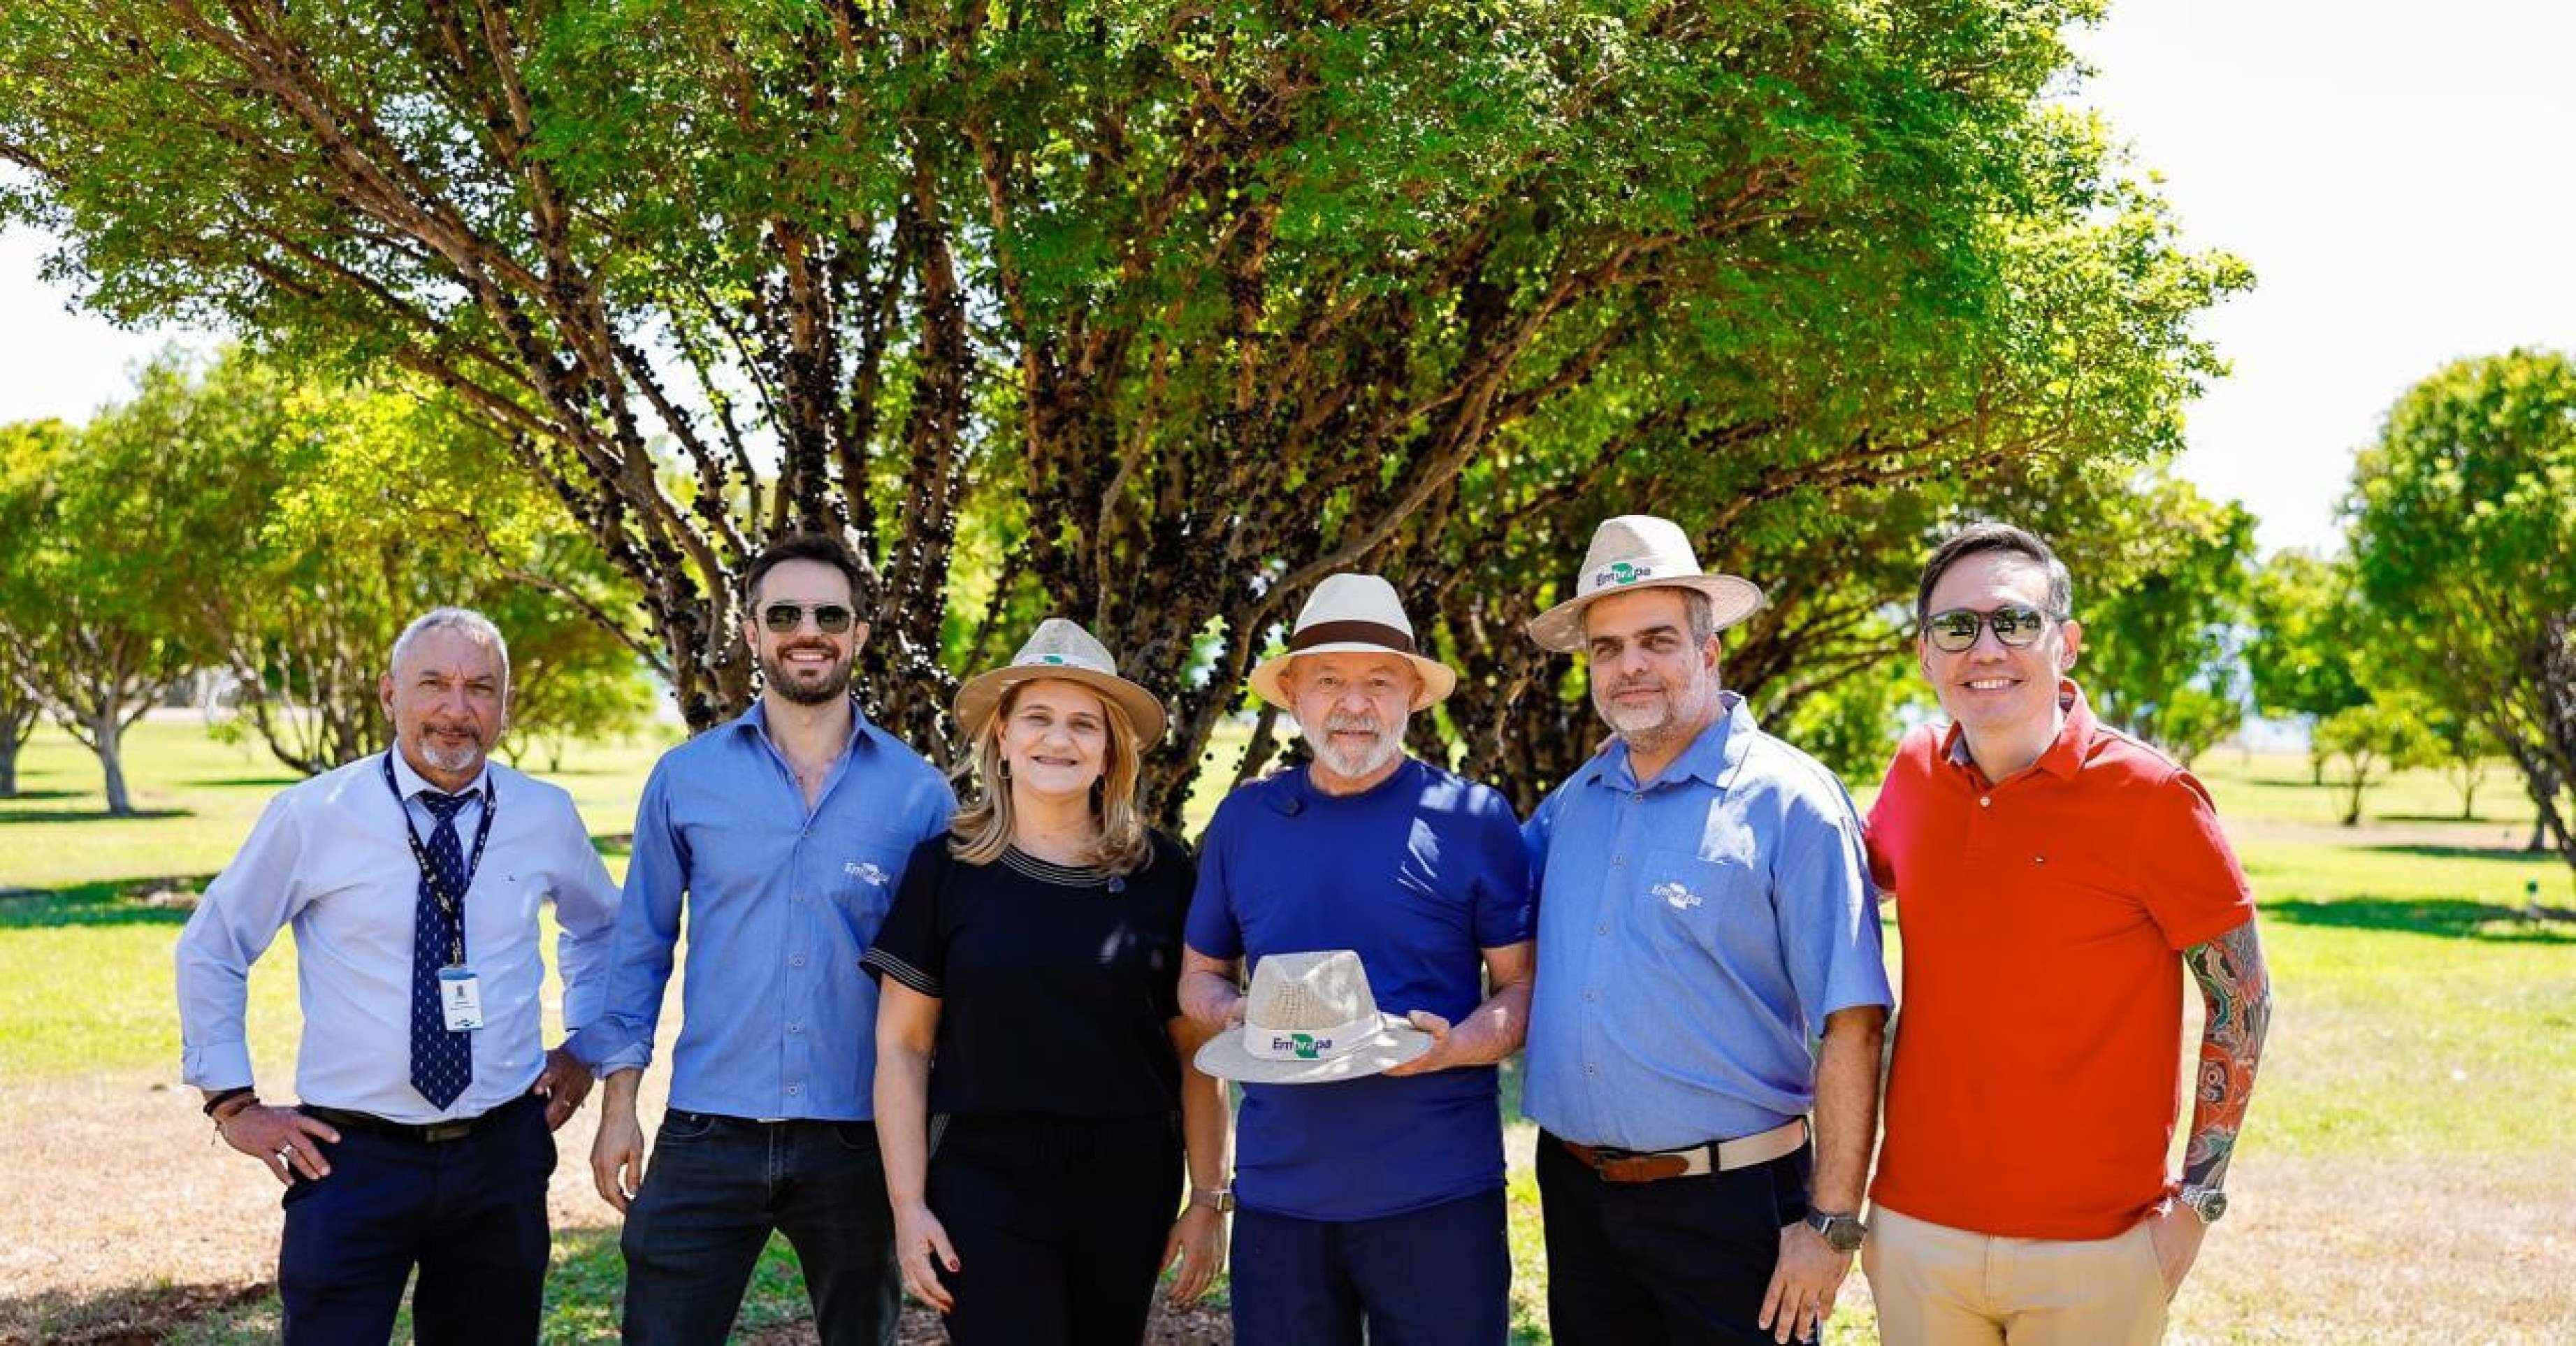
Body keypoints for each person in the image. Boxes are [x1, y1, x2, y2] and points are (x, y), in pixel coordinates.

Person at [1860, 522, 2272, 1345]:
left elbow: (2242, 1002)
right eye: (1956, 627)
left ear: (2066, 643)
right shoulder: (1912, 772)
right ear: (1924, 654)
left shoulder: (2153, 796)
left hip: (2097, 1250)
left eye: (2015, 622)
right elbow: (1837, 905)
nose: (1985, 649)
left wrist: (2194, 1205)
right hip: (1914, 1233)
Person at [175, 607, 618, 1343]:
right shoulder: (315, 813)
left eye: (480, 688)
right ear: (390, 695)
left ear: (504, 706)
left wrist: (585, 1047)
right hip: (350, 1160)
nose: (456, 709)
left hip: (500, 1156)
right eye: (433, 684)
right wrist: (231, 1103)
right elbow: (212, 946)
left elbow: (602, 929)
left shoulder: (545, 814)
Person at [1520, 514, 1893, 1346]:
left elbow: (1853, 1022)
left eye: (1655, 640)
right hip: (1576, 1198)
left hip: (1735, 1207)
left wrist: (1830, 1222)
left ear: (1708, 651)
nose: (1629, 666)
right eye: (1607, 649)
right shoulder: (1573, 804)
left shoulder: (1791, 803)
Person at [576, 533, 955, 1345]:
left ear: (859, 633)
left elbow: (941, 986)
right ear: (751, 632)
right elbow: (639, 949)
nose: (806, 631)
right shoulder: (686, 778)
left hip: (860, 1137)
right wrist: (618, 1107)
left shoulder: (918, 796)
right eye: (784, 615)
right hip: (707, 1128)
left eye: (829, 615)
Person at [1178, 572, 1535, 1346]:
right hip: (1280, 1200)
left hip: (1440, 1196)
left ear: (1412, 694)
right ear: (1293, 696)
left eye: (1378, 681)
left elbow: (1521, 989)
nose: (1354, 704)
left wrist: (1454, 1047)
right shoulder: (1245, 820)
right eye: (1329, 681)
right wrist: (1233, 1014)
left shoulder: (1473, 818)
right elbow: (1199, 977)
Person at [864, 618, 1229, 1343]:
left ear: (1110, 749)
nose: (1057, 740)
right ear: (1002, 736)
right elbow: (903, 1046)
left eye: (1082, 724)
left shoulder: (1162, 873)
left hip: (1129, 1177)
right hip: (981, 1176)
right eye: (1037, 718)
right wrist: (908, 1206)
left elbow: (1196, 1050)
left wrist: (1209, 1198)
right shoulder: (946, 868)